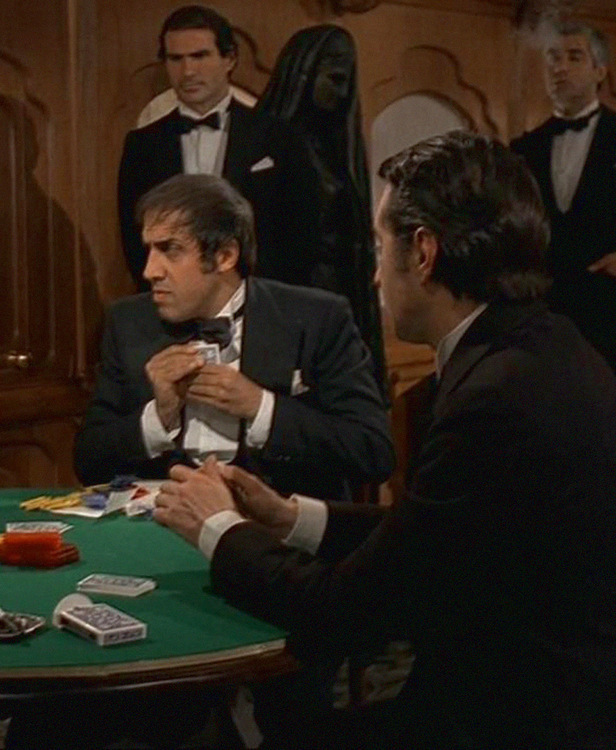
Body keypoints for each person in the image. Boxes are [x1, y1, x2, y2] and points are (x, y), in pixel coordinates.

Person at [154, 131, 616, 747]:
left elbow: (345, 612)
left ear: (423, 252)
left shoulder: (496, 398)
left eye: (379, 246)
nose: (373, 275)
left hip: (516, 720)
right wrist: (291, 517)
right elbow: (432, 537)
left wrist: (218, 528)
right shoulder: (546, 344)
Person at [76, 172, 393, 504]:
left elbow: (372, 451)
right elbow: (88, 460)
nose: (149, 271)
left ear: (225, 256)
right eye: (149, 250)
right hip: (163, 518)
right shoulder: (127, 322)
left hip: (275, 523)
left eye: (170, 250)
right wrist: (159, 416)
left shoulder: (316, 318)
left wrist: (261, 408)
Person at [117, 5, 321, 293]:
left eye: (200, 56)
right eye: (176, 59)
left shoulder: (279, 138)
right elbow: (133, 237)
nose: (188, 71)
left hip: (261, 299)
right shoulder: (142, 145)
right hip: (171, 302)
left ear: (229, 59)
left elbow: (301, 232)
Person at [256, 24, 388, 399]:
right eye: (334, 78)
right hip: (283, 303)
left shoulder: (338, 149)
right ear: (303, 72)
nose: (341, 92)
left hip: (337, 298)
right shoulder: (264, 142)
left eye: (346, 81)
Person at [511, 19, 616, 373]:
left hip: (608, 308)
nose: (560, 68)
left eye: (574, 57)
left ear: (600, 70)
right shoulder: (524, 149)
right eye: (553, 58)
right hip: (544, 312)